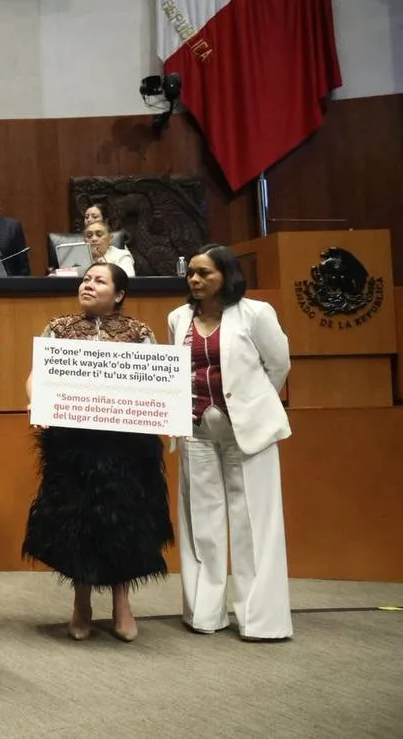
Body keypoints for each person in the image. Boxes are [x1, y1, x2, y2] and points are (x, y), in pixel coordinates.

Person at [22, 263, 173, 642]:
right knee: (77, 522)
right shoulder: (59, 327)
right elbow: (37, 375)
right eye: (86, 279)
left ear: (119, 294)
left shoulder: (139, 333)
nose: (88, 285)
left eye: (99, 281)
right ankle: (81, 602)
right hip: (74, 444)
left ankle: (123, 603)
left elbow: (158, 384)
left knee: (123, 522)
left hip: (126, 446)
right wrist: (35, 401)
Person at [169, 244, 293, 641]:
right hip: (196, 428)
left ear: (227, 275)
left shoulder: (257, 314)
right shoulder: (177, 318)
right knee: (200, 522)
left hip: (249, 431)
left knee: (253, 523)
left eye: (204, 273)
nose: (195, 280)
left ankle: (260, 620)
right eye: (191, 273)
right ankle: (205, 613)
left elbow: (279, 364)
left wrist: (251, 405)